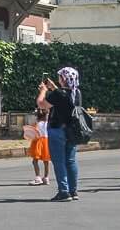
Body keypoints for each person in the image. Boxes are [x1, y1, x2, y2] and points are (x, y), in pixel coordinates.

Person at [37, 67, 81, 202]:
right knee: (71, 161)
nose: (59, 79)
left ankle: (63, 191)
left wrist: (43, 90)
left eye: (60, 77)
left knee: (59, 161)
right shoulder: (76, 92)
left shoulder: (59, 94)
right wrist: (54, 87)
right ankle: (73, 191)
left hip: (57, 129)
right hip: (72, 130)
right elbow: (63, 96)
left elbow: (41, 104)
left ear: (64, 78)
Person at [27, 107, 50, 186]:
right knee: (46, 161)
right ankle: (46, 177)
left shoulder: (36, 123)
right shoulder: (48, 123)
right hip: (46, 141)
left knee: (35, 160)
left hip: (38, 141)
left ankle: (38, 177)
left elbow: (32, 132)